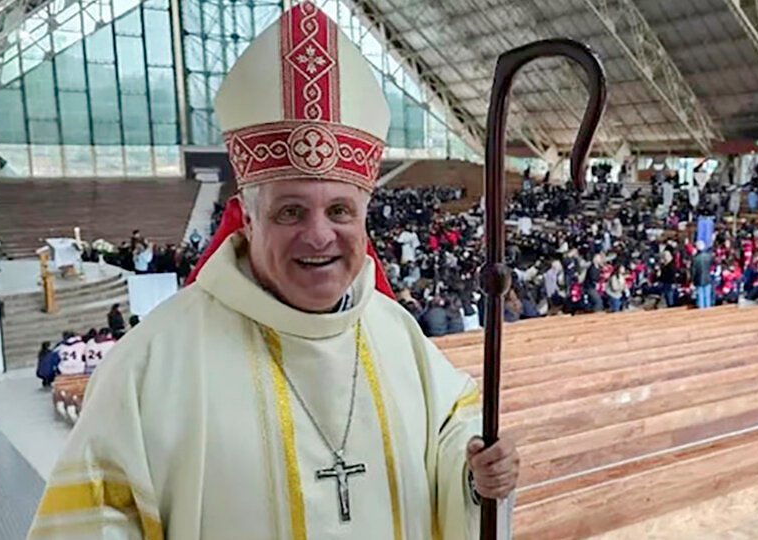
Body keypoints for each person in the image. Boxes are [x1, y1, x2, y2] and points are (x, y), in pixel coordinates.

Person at [29, 5, 518, 538]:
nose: (319, 235)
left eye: (339, 211)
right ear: (246, 222)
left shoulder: (396, 333)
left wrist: (474, 476)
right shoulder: (151, 363)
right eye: (290, 212)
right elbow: (97, 519)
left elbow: (454, 433)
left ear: (363, 220)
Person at [691, 240, 714, 309]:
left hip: (699, 279)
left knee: (700, 296)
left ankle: (701, 310)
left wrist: (692, 280)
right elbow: (711, 266)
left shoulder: (695, 258)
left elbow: (693, 271)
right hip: (707, 278)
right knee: (707, 296)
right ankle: (708, 308)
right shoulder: (709, 256)